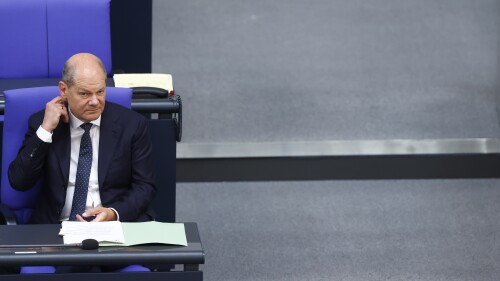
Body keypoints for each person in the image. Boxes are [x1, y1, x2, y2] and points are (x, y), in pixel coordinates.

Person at [8, 53, 157, 224]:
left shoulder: (132, 125)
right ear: (64, 90)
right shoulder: (43, 123)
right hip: (57, 228)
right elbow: (19, 182)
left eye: (100, 92)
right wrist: (46, 129)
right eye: (85, 94)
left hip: (113, 225)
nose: (95, 101)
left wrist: (113, 213)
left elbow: (145, 186)